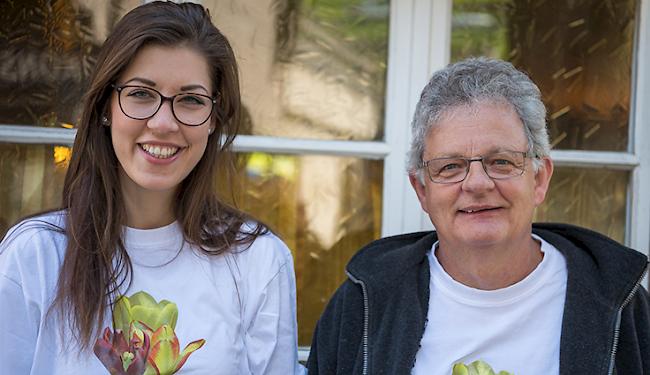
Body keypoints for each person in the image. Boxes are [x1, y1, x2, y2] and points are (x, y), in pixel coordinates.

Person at [0, 2, 303, 374]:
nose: (163, 123)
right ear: (106, 107)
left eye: (191, 100)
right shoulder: (37, 255)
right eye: (141, 94)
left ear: (213, 119)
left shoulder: (258, 261)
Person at [306, 57, 650, 374]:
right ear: (422, 190)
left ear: (540, 178)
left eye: (500, 161)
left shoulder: (620, 304)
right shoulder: (365, 302)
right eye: (450, 167)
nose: (477, 183)